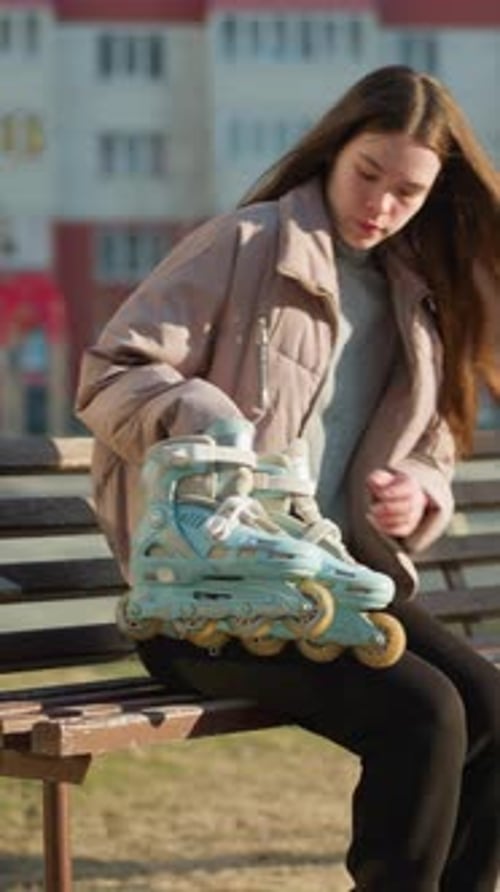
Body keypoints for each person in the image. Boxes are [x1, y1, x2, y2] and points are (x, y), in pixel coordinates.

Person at [75, 66, 500, 892]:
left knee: (496, 710)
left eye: (406, 192)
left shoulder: (416, 293)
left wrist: (418, 485)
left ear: (435, 194)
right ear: (334, 150)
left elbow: (435, 440)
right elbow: (109, 373)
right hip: (205, 601)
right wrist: (200, 413)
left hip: (337, 587)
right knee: (425, 716)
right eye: (367, 174)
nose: (379, 204)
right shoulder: (247, 243)